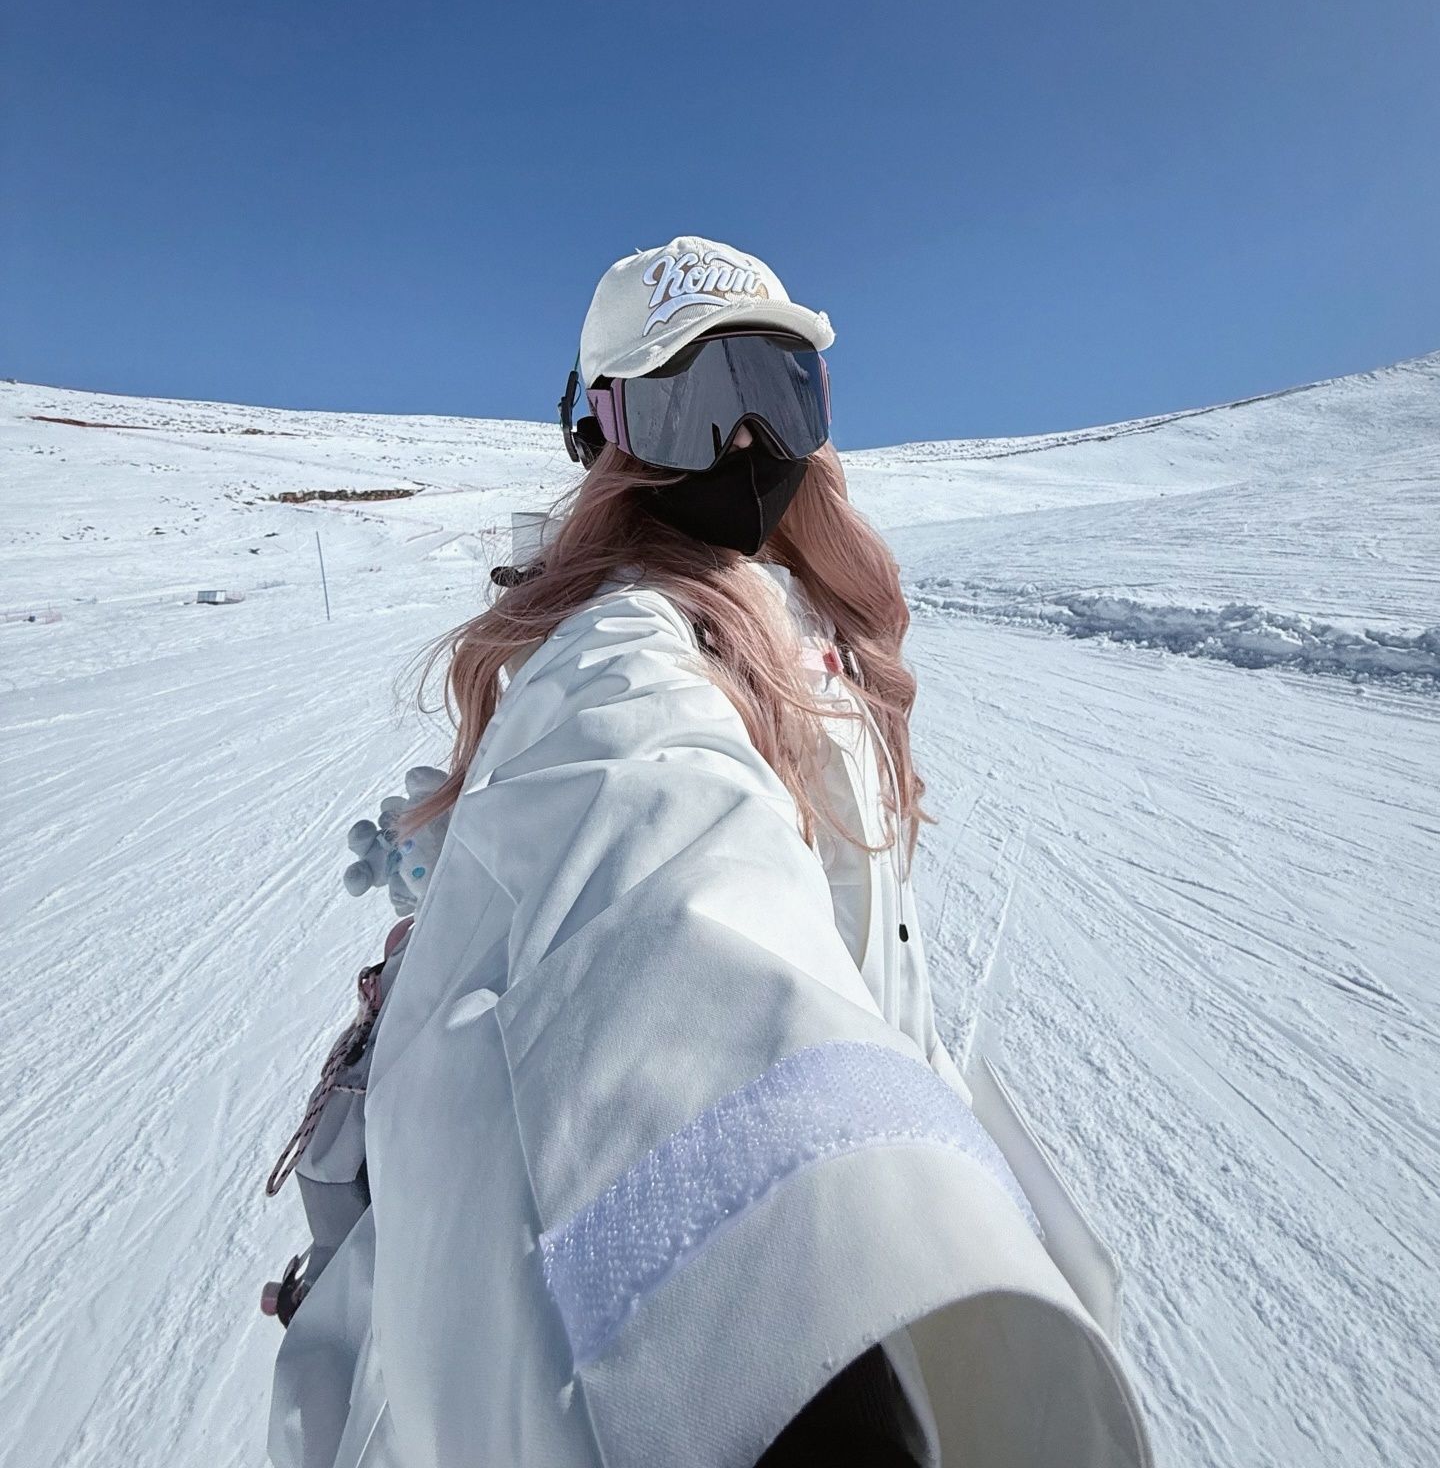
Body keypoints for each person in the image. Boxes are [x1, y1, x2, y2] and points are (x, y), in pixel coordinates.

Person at [265, 237, 1152, 1468]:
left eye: (777, 391)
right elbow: (663, 886)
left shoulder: (782, 605)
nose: (744, 443)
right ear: (608, 439)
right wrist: (824, 1333)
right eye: (690, 404)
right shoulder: (623, 654)